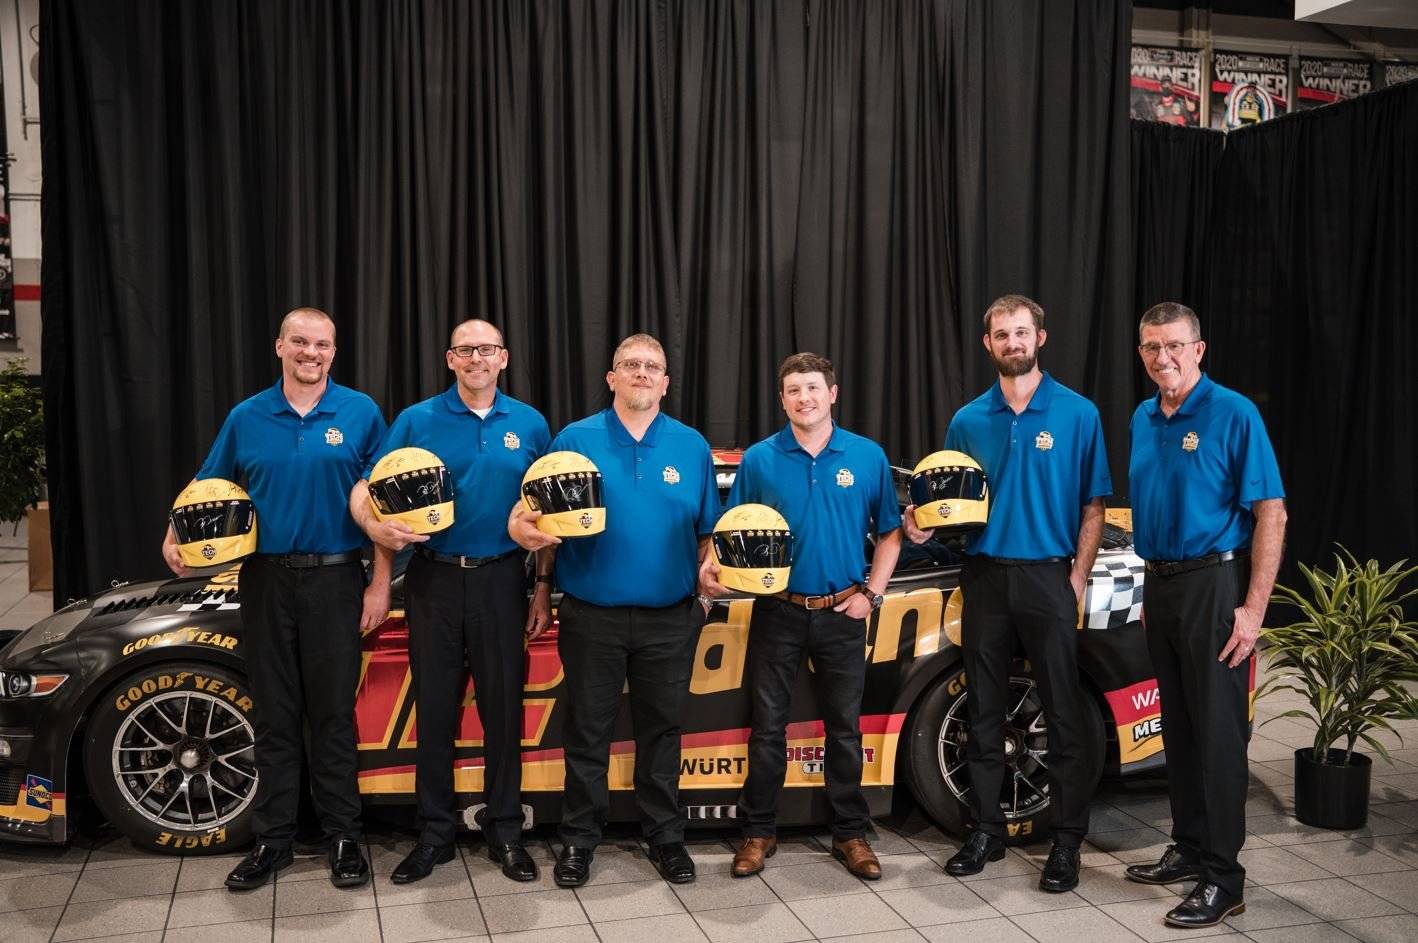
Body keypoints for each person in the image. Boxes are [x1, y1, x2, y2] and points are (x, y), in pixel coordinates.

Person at [162, 307, 386, 890]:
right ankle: (273, 841)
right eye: (300, 342)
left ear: (334, 351)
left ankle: (343, 836)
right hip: (264, 580)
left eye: (322, 344)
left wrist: (379, 582)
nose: (311, 353)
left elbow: (382, 507)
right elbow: (208, 482)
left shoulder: (361, 412)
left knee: (333, 716)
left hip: (337, 579)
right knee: (274, 714)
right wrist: (174, 530)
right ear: (280, 346)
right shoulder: (247, 416)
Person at [904, 294, 1110, 893]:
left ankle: (1066, 843)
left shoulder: (1078, 413)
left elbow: (1093, 505)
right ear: (987, 344)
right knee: (985, 710)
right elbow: (949, 507)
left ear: (1040, 338)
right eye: (1002, 334)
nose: (1012, 342)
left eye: (1022, 332)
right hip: (985, 577)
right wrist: (922, 525)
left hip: (1049, 576)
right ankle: (986, 830)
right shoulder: (968, 420)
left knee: (1063, 713)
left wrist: (1076, 577)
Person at [508, 334, 720, 888]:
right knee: (586, 732)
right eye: (630, 364)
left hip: (670, 617)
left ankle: (666, 837)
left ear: (665, 382)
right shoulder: (574, 440)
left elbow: (706, 533)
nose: (641, 373)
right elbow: (545, 528)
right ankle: (579, 840)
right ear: (611, 377)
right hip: (591, 615)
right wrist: (542, 587)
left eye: (652, 366)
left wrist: (705, 587)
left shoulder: (691, 446)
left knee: (663, 731)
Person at [350, 319, 552, 884]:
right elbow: (375, 499)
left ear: (503, 357)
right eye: (466, 350)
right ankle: (434, 834)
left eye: (486, 349)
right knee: (435, 710)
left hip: (502, 581)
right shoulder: (417, 421)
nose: (476, 358)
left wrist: (541, 586)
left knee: (502, 712)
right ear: (450, 359)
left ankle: (505, 830)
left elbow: (546, 515)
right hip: (433, 580)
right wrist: (379, 575)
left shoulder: (531, 424)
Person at [703, 352, 902, 881]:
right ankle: (758, 831)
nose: (804, 398)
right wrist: (715, 573)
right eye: (794, 390)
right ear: (783, 399)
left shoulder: (866, 456)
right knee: (768, 729)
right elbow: (730, 533)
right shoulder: (760, 460)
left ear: (832, 393)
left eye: (813, 388)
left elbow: (890, 533)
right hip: (778, 611)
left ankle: (850, 833)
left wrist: (872, 595)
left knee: (845, 730)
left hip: (843, 611)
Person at [1123, 302, 1286, 929]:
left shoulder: (1234, 413)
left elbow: (1271, 511)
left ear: (1199, 349)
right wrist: (1150, 592)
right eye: (1151, 346)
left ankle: (1224, 877)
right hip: (1161, 585)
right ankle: (1188, 847)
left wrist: (1253, 609)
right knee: (1181, 730)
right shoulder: (1143, 417)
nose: (1162, 357)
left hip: (1215, 586)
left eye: (1174, 345)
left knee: (1218, 735)